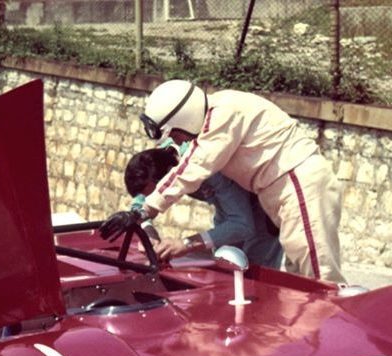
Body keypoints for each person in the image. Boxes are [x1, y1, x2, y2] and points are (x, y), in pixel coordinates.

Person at [103, 79, 345, 284]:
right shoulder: (212, 116)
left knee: (321, 278)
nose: (176, 141)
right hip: (284, 190)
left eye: (175, 133)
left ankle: (341, 336)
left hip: (298, 183)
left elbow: (192, 167)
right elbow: (163, 178)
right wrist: (137, 211)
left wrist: (148, 212)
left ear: (185, 119)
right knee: (301, 284)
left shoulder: (222, 116)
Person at [123, 146, 283, 268]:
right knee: (224, 267)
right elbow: (140, 204)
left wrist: (186, 244)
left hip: (264, 209)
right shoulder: (156, 161)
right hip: (229, 209)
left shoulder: (208, 169)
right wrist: (149, 232)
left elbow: (243, 225)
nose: (157, 199)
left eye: (158, 193)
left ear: (168, 177)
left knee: (254, 275)